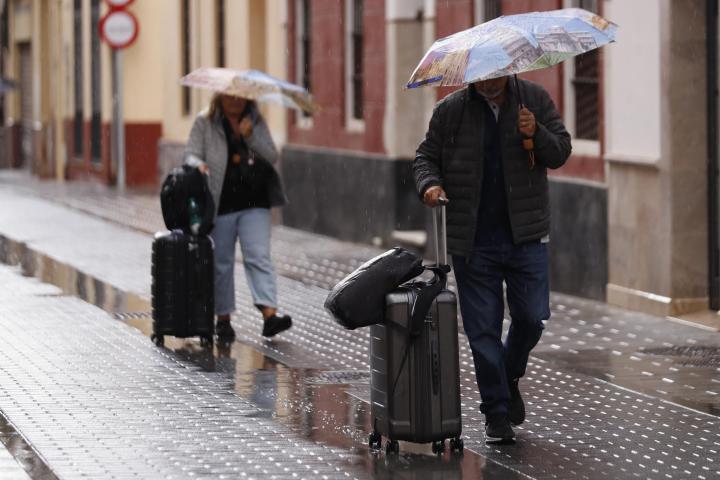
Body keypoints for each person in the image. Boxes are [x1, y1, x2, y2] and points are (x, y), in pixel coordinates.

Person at [413, 76, 571, 443]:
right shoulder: (451, 110)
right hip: (473, 240)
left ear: (505, 68)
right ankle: (496, 413)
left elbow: (561, 151)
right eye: (479, 76)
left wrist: (536, 133)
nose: (485, 82)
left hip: (526, 236)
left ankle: (508, 374)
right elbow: (425, 158)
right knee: (482, 331)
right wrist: (429, 185)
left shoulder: (533, 99)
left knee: (531, 317)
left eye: (492, 74)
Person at [184, 93, 292, 342]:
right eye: (230, 97)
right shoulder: (205, 121)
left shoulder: (255, 121)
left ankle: (269, 315)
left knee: (258, 256)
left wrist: (250, 136)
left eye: (240, 97)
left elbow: (271, 155)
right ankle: (223, 319)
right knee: (221, 262)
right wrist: (198, 165)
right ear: (220, 97)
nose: (236, 101)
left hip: (255, 202)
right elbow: (190, 153)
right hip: (220, 202)